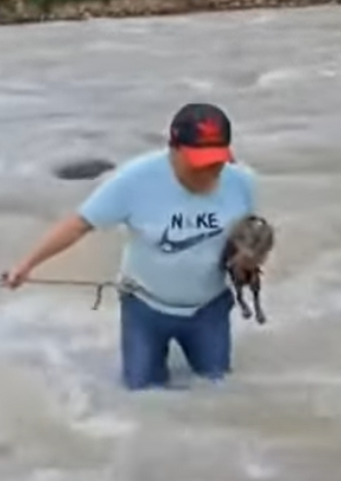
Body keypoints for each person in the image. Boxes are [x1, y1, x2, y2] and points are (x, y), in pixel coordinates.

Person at [2, 103, 256, 390]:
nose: (209, 171)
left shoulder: (241, 181)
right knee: (142, 396)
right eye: (199, 163)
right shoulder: (134, 180)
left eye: (216, 162)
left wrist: (247, 261)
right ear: (173, 149)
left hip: (209, 310)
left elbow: (244, 235)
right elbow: (79, 224)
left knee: (216, 388)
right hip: (145, 308)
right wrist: (26, 265)